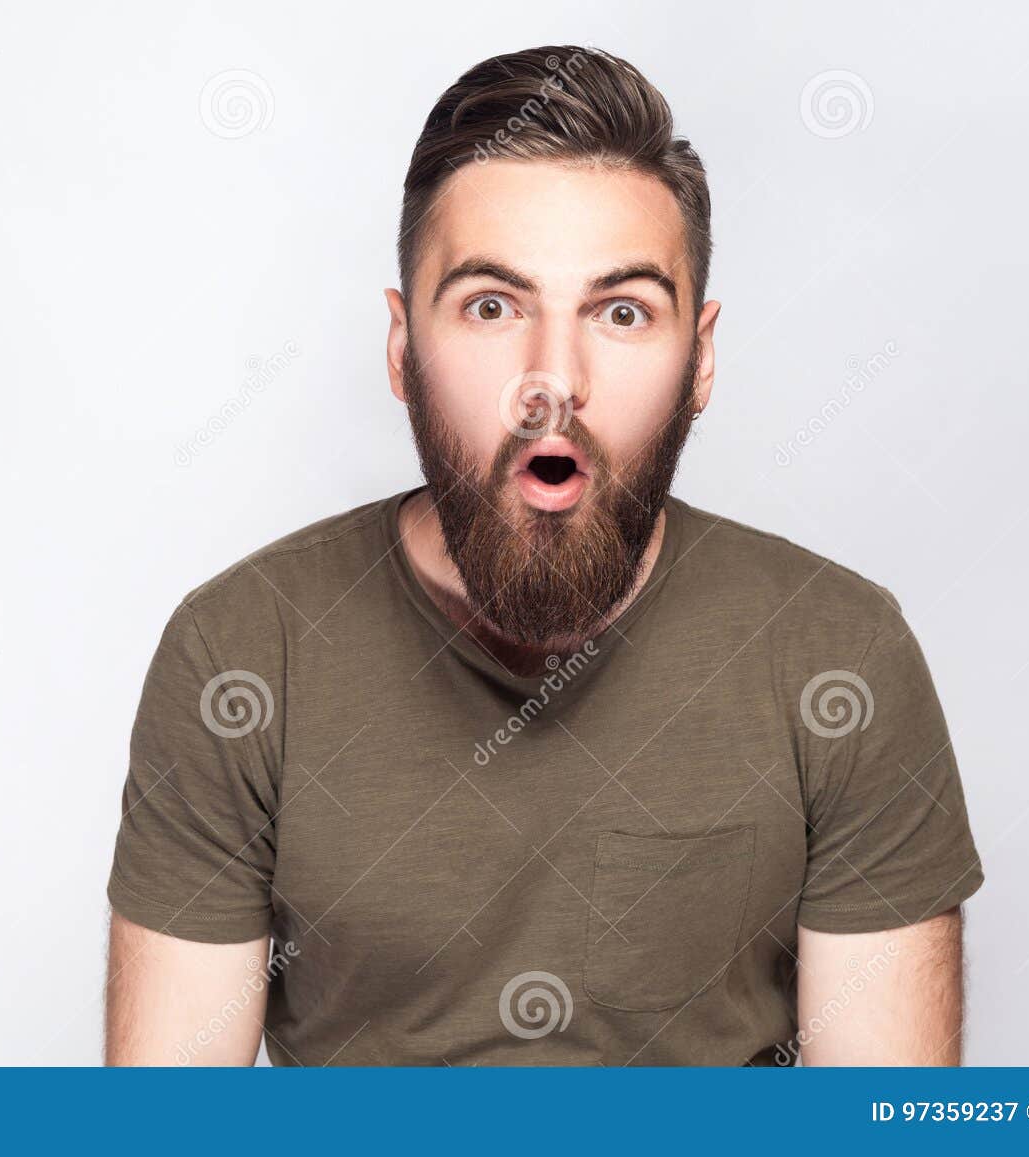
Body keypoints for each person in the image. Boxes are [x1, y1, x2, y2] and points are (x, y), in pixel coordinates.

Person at [104, 44, 984, 1066]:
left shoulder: (838, 656)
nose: (551, 382)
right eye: (491, 305)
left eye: (620, 312)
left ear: (698, 358)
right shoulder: (240, 654)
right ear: (402, 348)